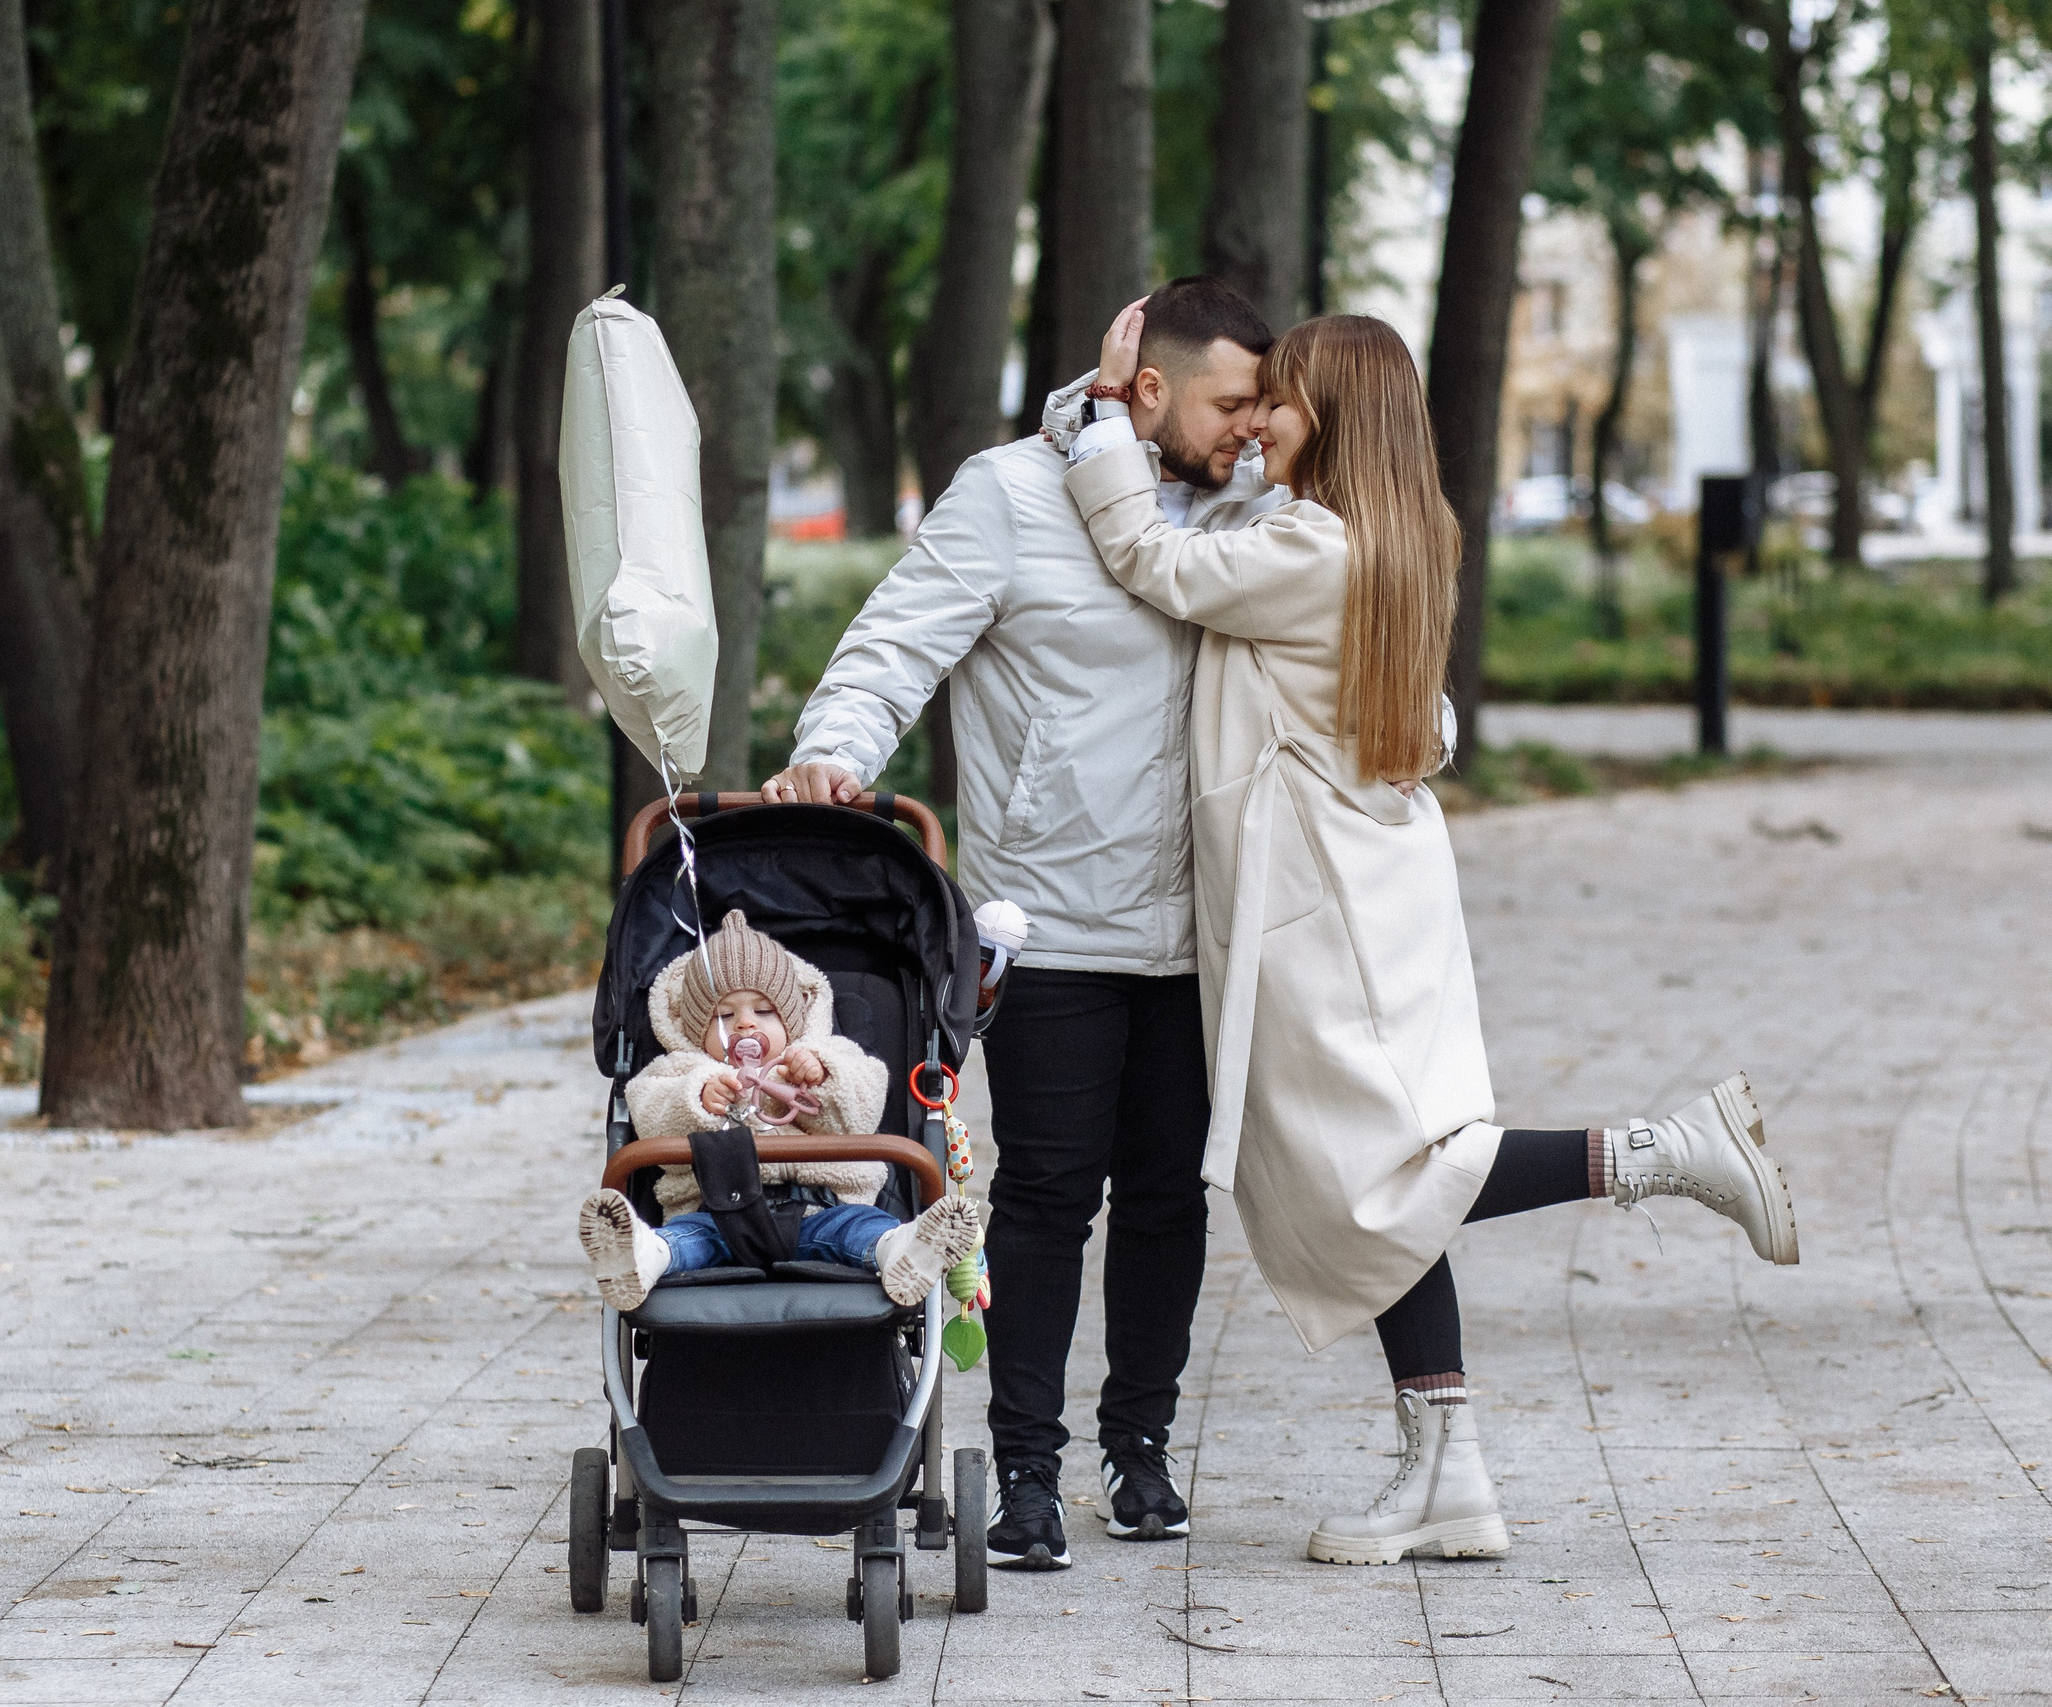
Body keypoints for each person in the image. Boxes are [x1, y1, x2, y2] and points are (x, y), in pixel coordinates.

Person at [1064, 305, 1799, 1567]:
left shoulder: (1309, 551)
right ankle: (1445, 1473)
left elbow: (1154, 561)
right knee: (1394, 1178)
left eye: (1279, 404)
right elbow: (1428, 723)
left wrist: (1097, 413)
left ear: (1332, 419)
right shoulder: (1386, 539)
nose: (1257, 425)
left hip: (1326, 917)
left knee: (1388, 1179)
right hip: (1367, 893)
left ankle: (1667, 1151)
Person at [762, 276, 1283, 1569]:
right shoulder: (1005, 495)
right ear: (1146, 388)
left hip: (1204, 929)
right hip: (1050, 920)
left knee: (1171, 1196)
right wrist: (831, 751)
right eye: (1230, 400)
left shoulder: (1248, 511)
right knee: (1050, 1194)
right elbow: (894, 642)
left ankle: (1140, 1448)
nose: (1250, 426)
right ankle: (1030, 1471)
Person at [578, 909, 982, 1310]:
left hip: (822, 1207)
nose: (745, 1026)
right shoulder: (684, 1070)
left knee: (864, 1230)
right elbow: (649, 1111)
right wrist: (697, 1099)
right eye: (724, 1016)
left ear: (792, 1016)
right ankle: (640, 1257)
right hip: (717, 1211)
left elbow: (861, 1108)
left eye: (764, 1011)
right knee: (683, 1241)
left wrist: (822, 1079)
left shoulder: (826, 1055)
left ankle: (904, 1253)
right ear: (696, 1028)